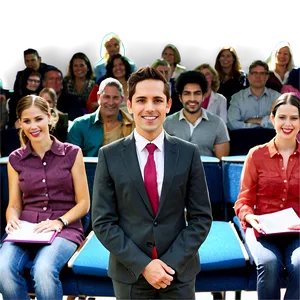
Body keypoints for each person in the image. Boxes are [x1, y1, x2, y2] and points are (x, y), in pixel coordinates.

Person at [92, 66, 212, 300]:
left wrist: (168, 265)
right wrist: (145, 265)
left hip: (177, 272)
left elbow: (201, 218)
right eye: (141, 100)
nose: (149, 108)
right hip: (130, 273)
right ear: (130, 105)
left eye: (157, 100)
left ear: (168, 105)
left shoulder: (188, 153)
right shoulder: (109, 155)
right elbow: (103, 221)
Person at [0, 95, 90, 300]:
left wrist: (60, 221)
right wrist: (12, 219)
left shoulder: (72, 153)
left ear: (50, 118)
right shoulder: (15, 159)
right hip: (27, 228)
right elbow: (14, 204)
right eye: (27, 121)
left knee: (43, 269)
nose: (33, 126)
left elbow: (84, 203)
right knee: (2, 268)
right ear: (20, 123)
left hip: (64, 228)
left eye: (38, 119)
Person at [233, 92, 300, 300]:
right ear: (272, 119)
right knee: (269, 264)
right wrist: (249, 217)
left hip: (297, 231)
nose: (287, 123)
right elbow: (243, 201)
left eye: (294, 118)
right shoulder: (256, 154)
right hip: (261, 229)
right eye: (282, 117)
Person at [163, 70, 230, 159]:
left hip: (207, 171)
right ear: (180, 98)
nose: (192, 99)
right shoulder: (168, 123)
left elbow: (222, 162)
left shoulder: (217, 123)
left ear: (203, 96)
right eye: (187, 94)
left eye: (197, 93)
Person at [67, 77, 135, 157]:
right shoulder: (79, 125)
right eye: (107, 97)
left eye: (115, 97)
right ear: (99, 97)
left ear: (121, 99)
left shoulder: (133, 127)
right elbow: (69, 159)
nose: (111, 102)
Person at [227, 60, 281, 130]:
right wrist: (259, 127)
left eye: (262, 73)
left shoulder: (277, 97)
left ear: (267, 77)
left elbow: (282, 121)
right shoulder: (237, 98)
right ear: (248, 76)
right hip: (244, 138)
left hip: (271, 139)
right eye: (254, 73)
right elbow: (232, 124)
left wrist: (259, 121)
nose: (258, 76)